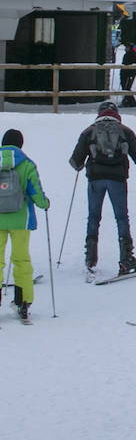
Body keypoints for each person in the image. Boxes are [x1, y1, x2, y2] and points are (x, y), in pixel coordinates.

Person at [69, 101, 136, 276]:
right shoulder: (126, 131)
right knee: (121, 217)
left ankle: (90, 257)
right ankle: (126, 257)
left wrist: (81, 165)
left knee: (93, 216)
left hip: (95, 180)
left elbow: (75, 161)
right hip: (118, 180)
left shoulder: (89, 131)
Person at [0, 129, 49, 321]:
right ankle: (23, 302)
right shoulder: (27, 164)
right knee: (21, 260)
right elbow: (35, 190)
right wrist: (44, 204)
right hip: (21, 220)